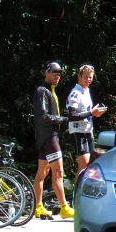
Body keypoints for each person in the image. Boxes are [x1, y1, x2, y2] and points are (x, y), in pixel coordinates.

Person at [33, 61, 73, 219]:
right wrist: (63, 120)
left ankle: (38, 206)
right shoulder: (42, 91)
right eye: (54, 72)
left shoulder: (50, 91)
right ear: (47, 73)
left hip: (46, 137)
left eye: (59, 73)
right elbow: (43, 116)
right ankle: (64, 207)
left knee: (43, 172)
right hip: (49, 137)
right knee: (59, 172)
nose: (57, 75)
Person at [66, 64, 107, 184]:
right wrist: (90, 112)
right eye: (86, 77)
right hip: (78, 132)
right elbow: (71, 116)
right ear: (79, 76)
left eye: (91, 77)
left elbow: (87, 113)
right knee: (83, 165)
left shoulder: (86, 91)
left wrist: (95, 113)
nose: (89, 80)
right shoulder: (75, 93)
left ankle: (87, 191)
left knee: (91, 164)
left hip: (88, 131)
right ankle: (76, 195)